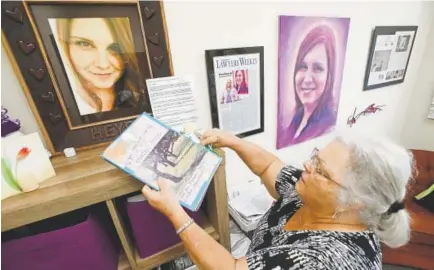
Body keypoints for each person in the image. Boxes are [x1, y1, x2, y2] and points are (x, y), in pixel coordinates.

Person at [142, 129, 413, 270]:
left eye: (321, 169)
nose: (307, 164)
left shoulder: (324, 260)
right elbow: (268, 167)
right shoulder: (310, 189)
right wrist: (233, 142)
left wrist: (175, 213)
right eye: (316, 156)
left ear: (353, 202)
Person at [54, 18, 140, 115]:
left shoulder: (141, 93)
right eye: (85, 44)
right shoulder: (62, 103)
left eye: (115, 47)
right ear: (64, 45)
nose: (103, 65)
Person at [277, 25, 337, 148]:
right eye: (303, 67)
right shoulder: (297, 117)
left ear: (329, 76)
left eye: (318, 69)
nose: (307, 79)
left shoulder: (329, 130)